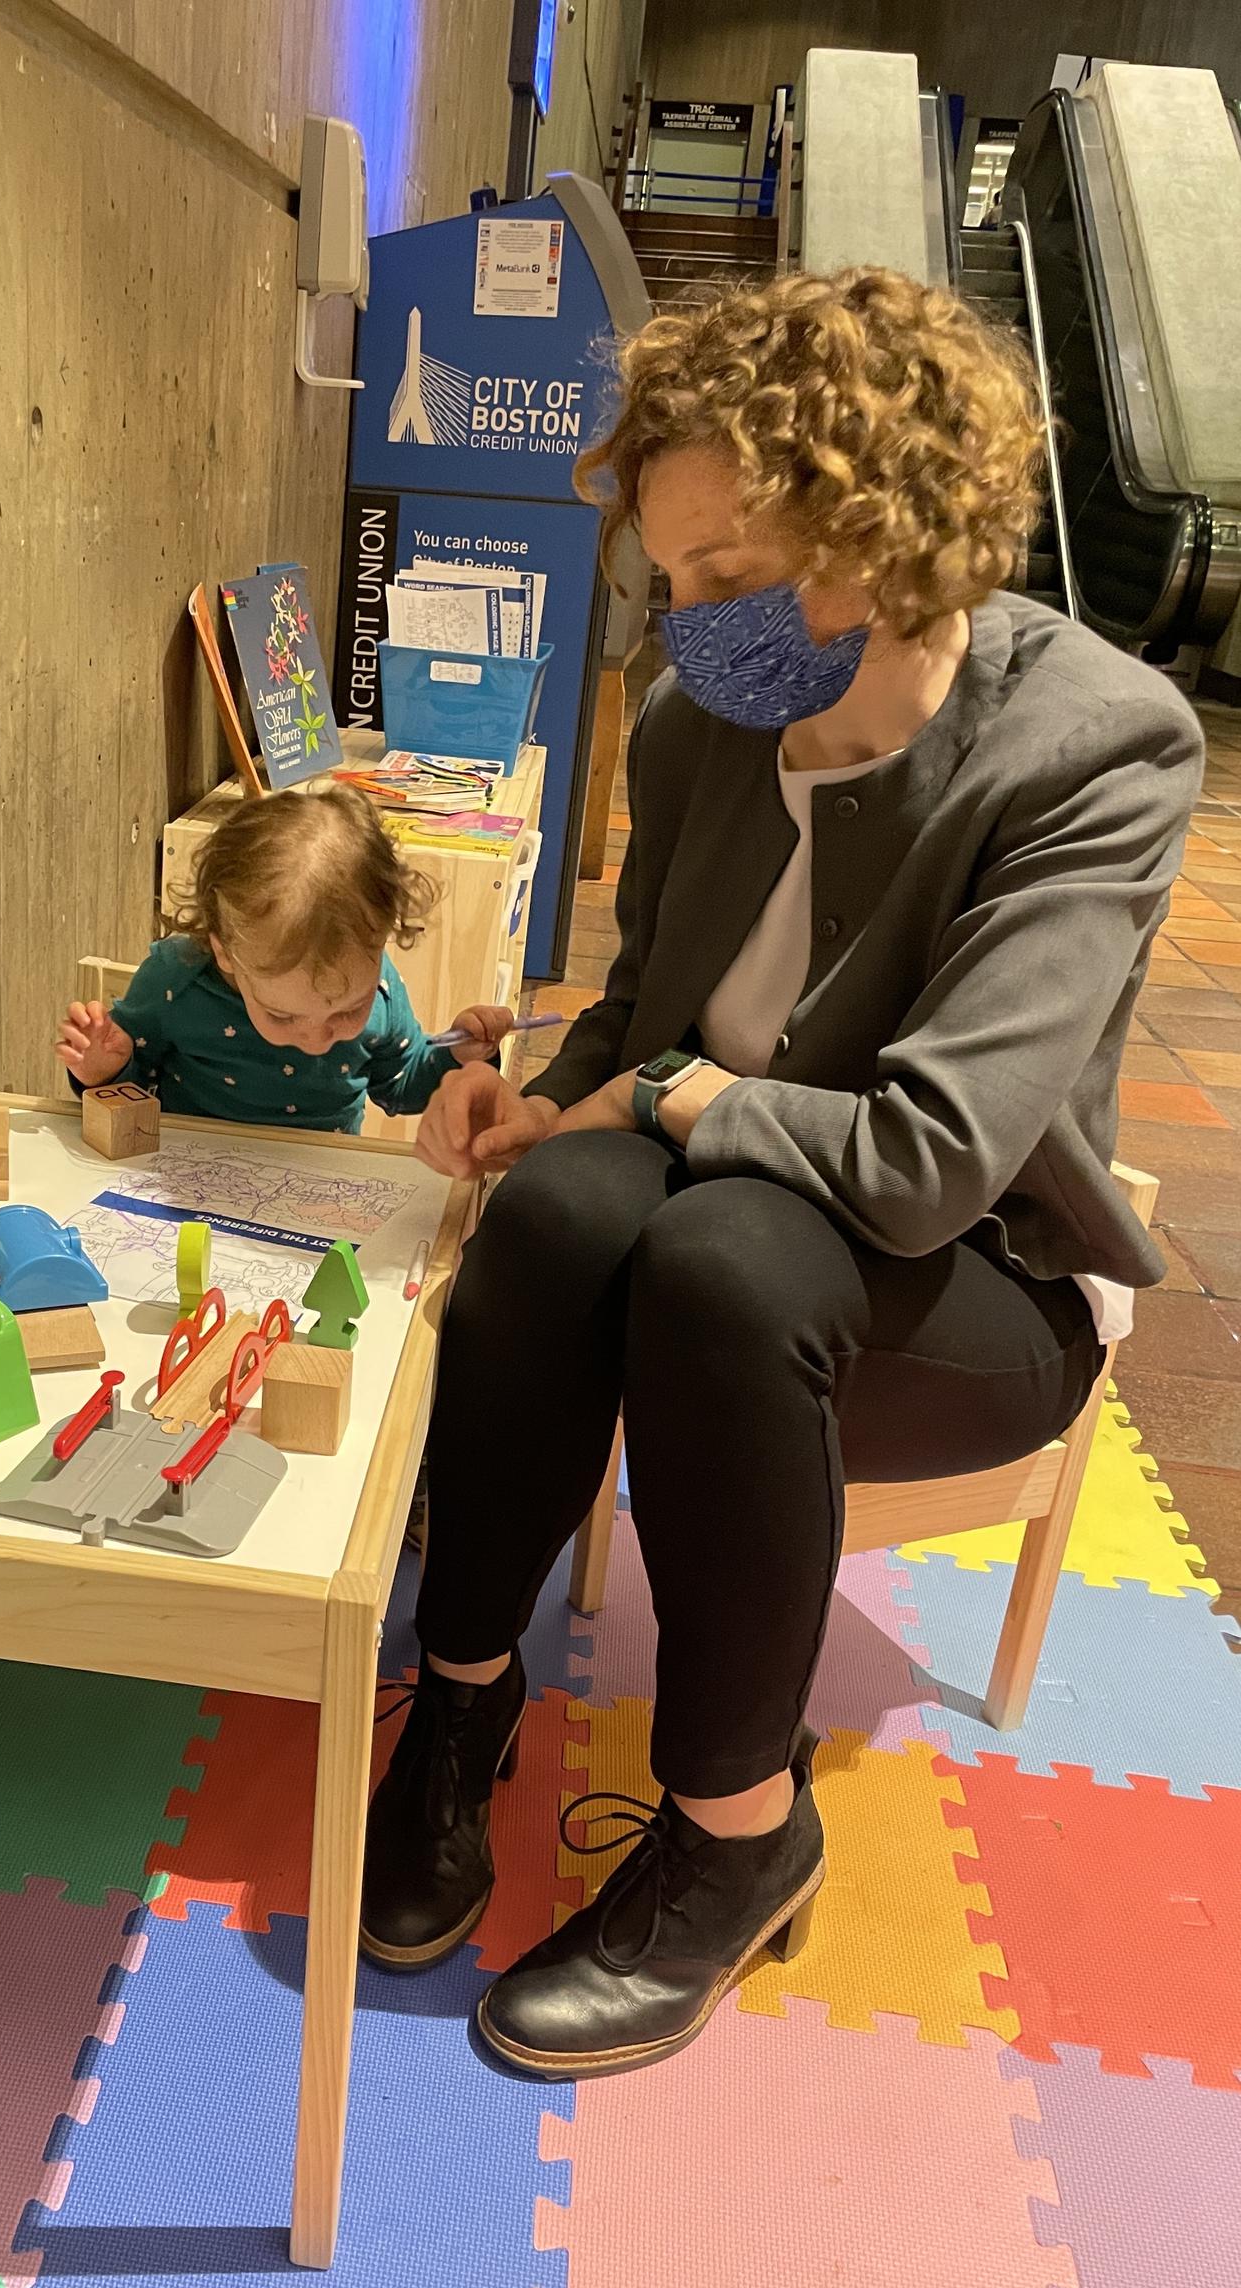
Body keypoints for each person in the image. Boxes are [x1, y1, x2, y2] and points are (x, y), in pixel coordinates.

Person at [367, 267, 1203, 2078]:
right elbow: (651, 1016)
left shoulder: (1098, 747)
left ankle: (741, 1837)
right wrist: (553, 1101)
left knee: (724, 1259)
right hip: (716, 1210)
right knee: (568, 1211)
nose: (692, 629)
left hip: (966, 1286)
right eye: (670, 585)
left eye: (735, 577)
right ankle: (461, 1698)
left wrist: (661, 1099)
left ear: (891, 533)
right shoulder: (693, 732)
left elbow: (922, 1166)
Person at [56, 781, 512, 1130]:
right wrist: (104, 1074)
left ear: (381, 941)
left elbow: (403, 1088)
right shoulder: (177, 981)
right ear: (225, 951)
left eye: (348, 1010)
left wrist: (462, 1055)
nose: (317, 1039)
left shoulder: (382, 992)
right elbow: (133, 1097)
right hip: (186, 1183)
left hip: (318, 1199)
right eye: (281, 1015)